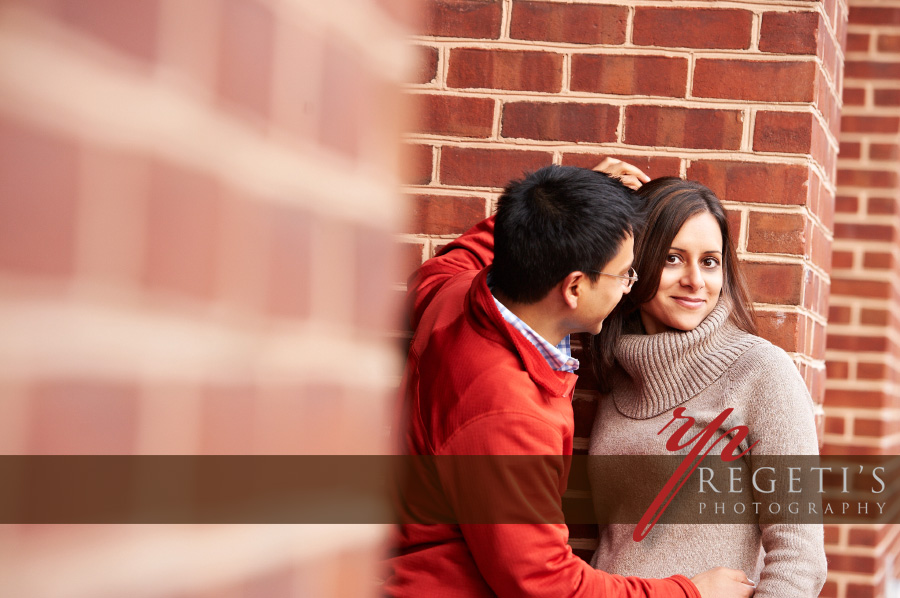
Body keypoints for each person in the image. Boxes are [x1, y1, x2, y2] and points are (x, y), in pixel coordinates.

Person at [384, 164, 755, 598]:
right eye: (625, 274)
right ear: (575, 288)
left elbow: (444, 267)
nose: (628, 287)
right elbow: (548, 585)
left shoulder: (456, 295)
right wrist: (690, 593)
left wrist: (557, 206)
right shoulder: (510, 415)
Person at [589, 177, 827, 596]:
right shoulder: (618, 378)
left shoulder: (760, 372)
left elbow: (800, 557)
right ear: (634, 264)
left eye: (710, 261)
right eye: (673, 258)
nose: (696, 281)